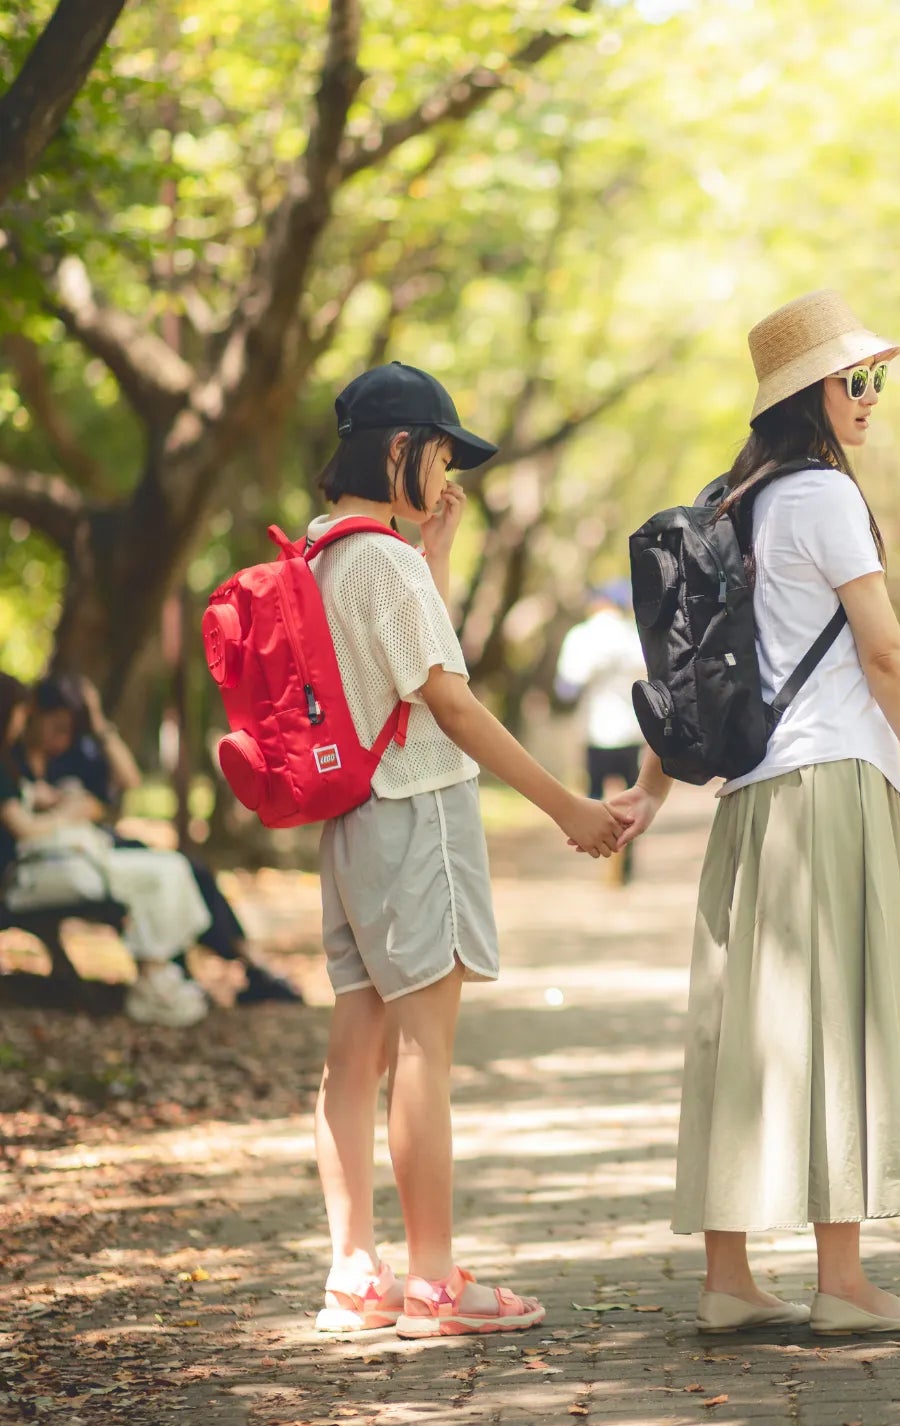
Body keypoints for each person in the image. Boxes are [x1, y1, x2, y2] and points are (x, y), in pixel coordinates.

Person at [607, 291, 900, 1336]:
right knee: (842, 1019)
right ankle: (843, 1283)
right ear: (809, 395)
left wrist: (646, 796)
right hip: (830, 786)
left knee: (743, 1029)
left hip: (752, 804)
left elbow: (689, 669)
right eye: (854, 380)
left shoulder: (735, 500)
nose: (870, 397)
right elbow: (886, 652)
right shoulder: (822, 496)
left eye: (875, 378)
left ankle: (728, 1278)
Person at [305, 361, 621, 1339]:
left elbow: (402, 677)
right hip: (415, 814)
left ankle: (355, 1271)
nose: (447, 477)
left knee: (354, 1051)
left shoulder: (325, 554)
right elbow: (449, 703)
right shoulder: (384, 564)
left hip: (353, 822)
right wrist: (568, 805)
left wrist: (431, 552)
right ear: (400, 449)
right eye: (440, 455)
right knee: (423, 1053)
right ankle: (435, 1281)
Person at [20, 674, 304, 1006]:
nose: (60, 736)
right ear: (32, 714)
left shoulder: (74, 753)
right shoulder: (14, 758)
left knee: (190, 870)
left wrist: (98, 723)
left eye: (68, 728)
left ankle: (244, 962)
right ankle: (224, 967)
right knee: (173, 874)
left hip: (94, 844)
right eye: (55, 726)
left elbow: (129, 779)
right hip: (67, 855)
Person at [1, 673, 214, 1027]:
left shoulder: (40, 761)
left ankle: (155, 973)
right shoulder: (7, 764)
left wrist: (60, 802)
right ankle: (154, 979)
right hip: (33, 872)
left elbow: (123, 782)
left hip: (63, 859)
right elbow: (23, 828)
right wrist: (66, 814)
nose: (22, 723)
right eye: (20, 715)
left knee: (172, 868)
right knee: (157, 875)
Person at [554, 581, 646, 882]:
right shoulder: (634, 635)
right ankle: (626, 860)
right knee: (633, 799)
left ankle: (599, 855)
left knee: (595, 798)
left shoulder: (581, 636)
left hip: (595, 731)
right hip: (631, 731)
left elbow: (565, 688)